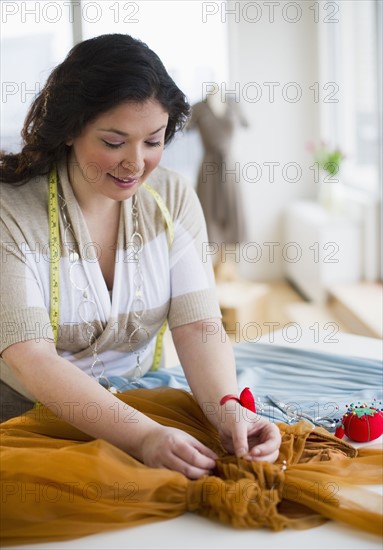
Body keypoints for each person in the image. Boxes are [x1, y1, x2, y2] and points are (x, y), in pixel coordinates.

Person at [0, 33, 281, 480]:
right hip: (30, 426)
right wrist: (144, 437)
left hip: (144, 410)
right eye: (114, 142)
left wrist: (228, 407)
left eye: (153, 141)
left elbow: (198, 325)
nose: (135, 163)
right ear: (71, 128)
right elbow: (32, 357)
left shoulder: (170, 195)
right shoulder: (10, 213)